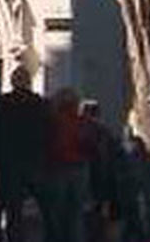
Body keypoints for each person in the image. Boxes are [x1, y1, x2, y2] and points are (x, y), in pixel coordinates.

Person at [0, 66, 51, 242]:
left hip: (9, 165)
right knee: (45, 208)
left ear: (12, 82)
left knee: (13, 212)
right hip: (35, 163)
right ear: (29, 82)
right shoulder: (40, 104)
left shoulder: (2, 104)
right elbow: (49, 134)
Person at [47, 88, 93, 242]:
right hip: (79, 167)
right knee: (76, 213)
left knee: (57, 212)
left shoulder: (53, 121)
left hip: (58, 168)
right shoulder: (82, 122)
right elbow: (89, 144)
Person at [81, 100, 121, 242]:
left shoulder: (82, 130)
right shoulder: (105, 132)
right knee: (99, 214)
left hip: (87, 178)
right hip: (102, 180)